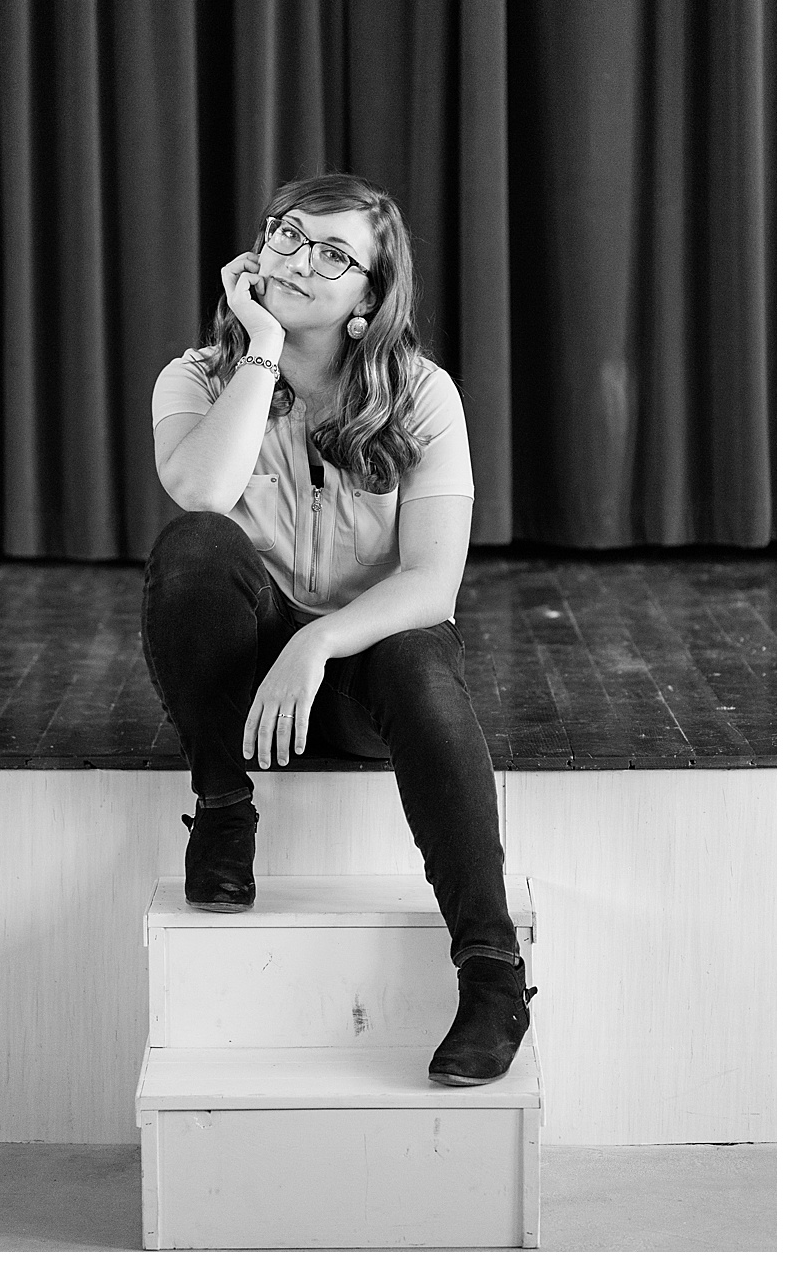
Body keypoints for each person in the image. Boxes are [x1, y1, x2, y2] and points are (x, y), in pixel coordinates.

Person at [140, 173, 533, 1088]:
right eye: (284, 234)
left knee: (422, 656)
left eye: (332, 253)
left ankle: (491, 969)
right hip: (243, 690)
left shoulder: (422, 395)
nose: (297, 259)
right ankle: (225, 815)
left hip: (362, 678)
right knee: (195, 548)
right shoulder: (197, 376)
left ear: (369, 297)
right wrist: (263, 350)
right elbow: (200, 492)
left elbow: (433, 582)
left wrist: (317, 641)